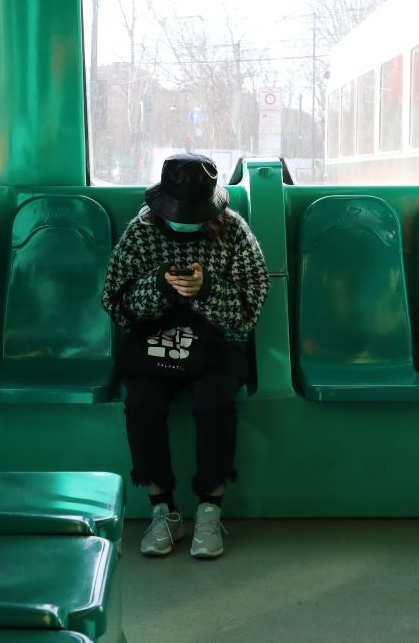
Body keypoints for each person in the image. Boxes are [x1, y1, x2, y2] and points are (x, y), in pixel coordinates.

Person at [102, 153, 270, 559]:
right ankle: (164, 510)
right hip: (154, 341)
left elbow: (251, 310)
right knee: (141, 402)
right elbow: (116, 303)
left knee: (214, 401)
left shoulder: (234, 233)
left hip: (217, 343)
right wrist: (160, 286)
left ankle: (210, 509)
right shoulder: (141, 231)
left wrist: (207, 289)